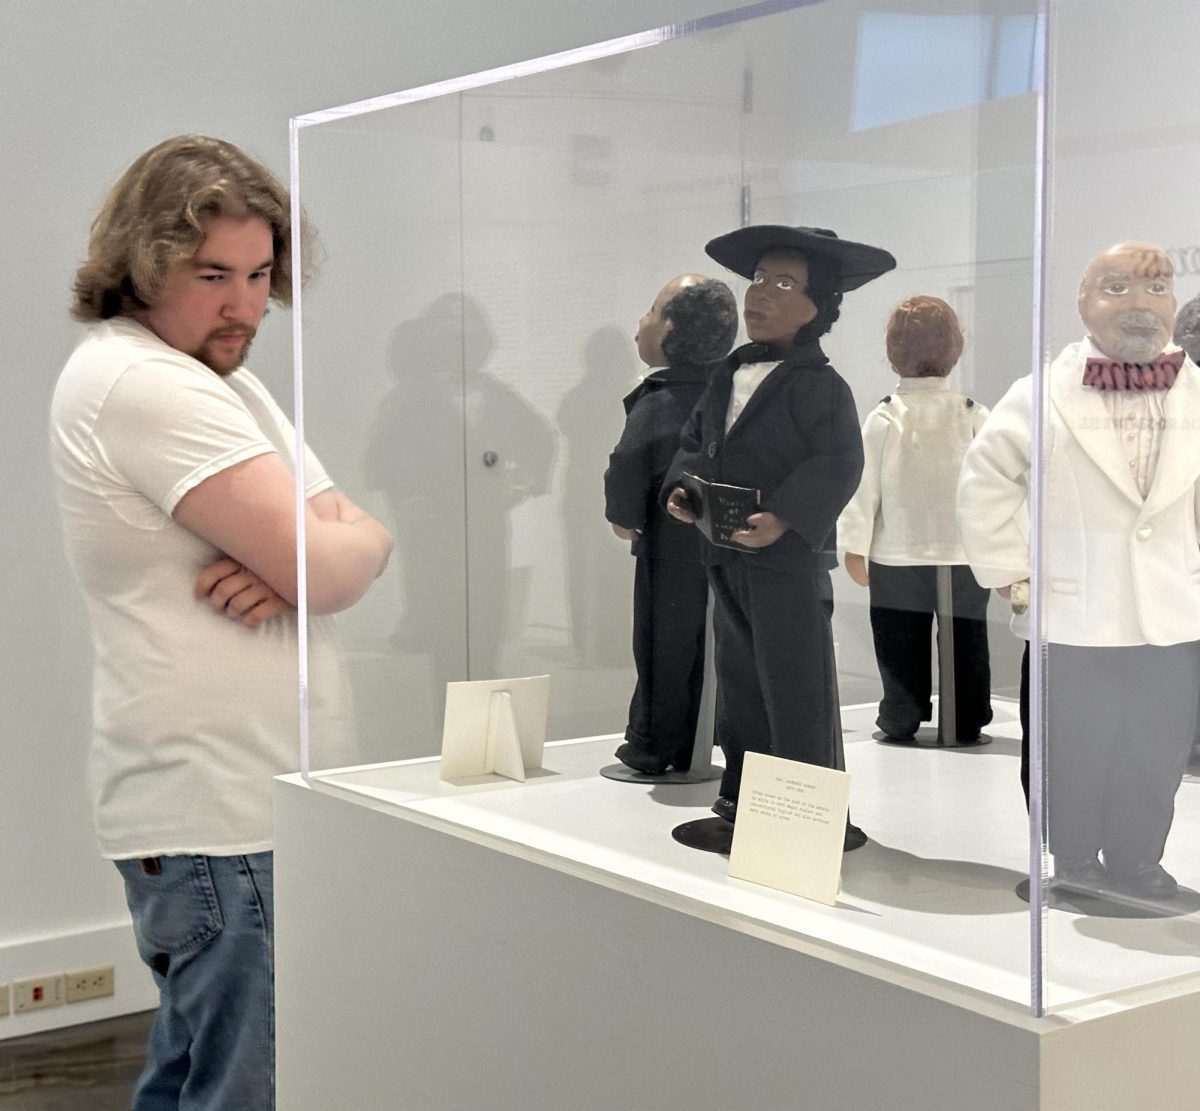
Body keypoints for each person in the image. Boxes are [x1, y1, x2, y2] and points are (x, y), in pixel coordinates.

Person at [50, 135, 393, 1109]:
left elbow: (360, 541)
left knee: (198, 1078)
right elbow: (333, 560)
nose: (246, 304)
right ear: (142, 263)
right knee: (247, 1090)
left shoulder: (222, 380)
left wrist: (314, 560)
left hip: (238, 812)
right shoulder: (146, 382)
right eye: (213, 275)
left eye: (258, 272)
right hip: (223, 816)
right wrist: (316, 559)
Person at [958, 241, 1200, 902]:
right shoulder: (1039, 395)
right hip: (1073, 612)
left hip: (1169, 614)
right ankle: (1072, 857)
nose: (1140, 306)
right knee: (1070, 745)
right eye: (1117, 288)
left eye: (1155, 290)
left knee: (1156, 747)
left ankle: (1136, 857)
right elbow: (985, 481)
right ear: (1083, 302)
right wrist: (1013, 570)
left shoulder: (1196, 394)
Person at [663, 225, 895, 844]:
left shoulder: (821, 387)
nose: (760, 294)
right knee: (740, 682)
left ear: (817, 309)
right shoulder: (726, 376)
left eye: (784, 283)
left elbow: (839, 462)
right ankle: (743, 802)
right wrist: (685, 491)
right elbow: (694, 445)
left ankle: (810, 815)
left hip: (785, 564)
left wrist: (787, 516)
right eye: (759, 279)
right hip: (726, 554)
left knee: (795, 686)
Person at [839, 296, 992, 744]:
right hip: (963, 551)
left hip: (897, 552)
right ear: (956, 347)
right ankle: (968, 716)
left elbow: (861, 487)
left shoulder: (885, 415)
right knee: (967, 637)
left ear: (892, 351)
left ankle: (900, 713)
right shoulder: (972, 413)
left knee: (898, 637)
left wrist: (855, 544)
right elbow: (994, 487)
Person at [604, 273, 738, 774]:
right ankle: (701, 738)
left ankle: (653, 743)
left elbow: (628, 463)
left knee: (663, 645)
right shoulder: (730, 393)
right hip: (725, 544)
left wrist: (624, 516)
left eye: (652, 311)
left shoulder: (659, 398)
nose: (642, 321)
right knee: (711, 644)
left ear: (672, 330)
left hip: (667, 546)